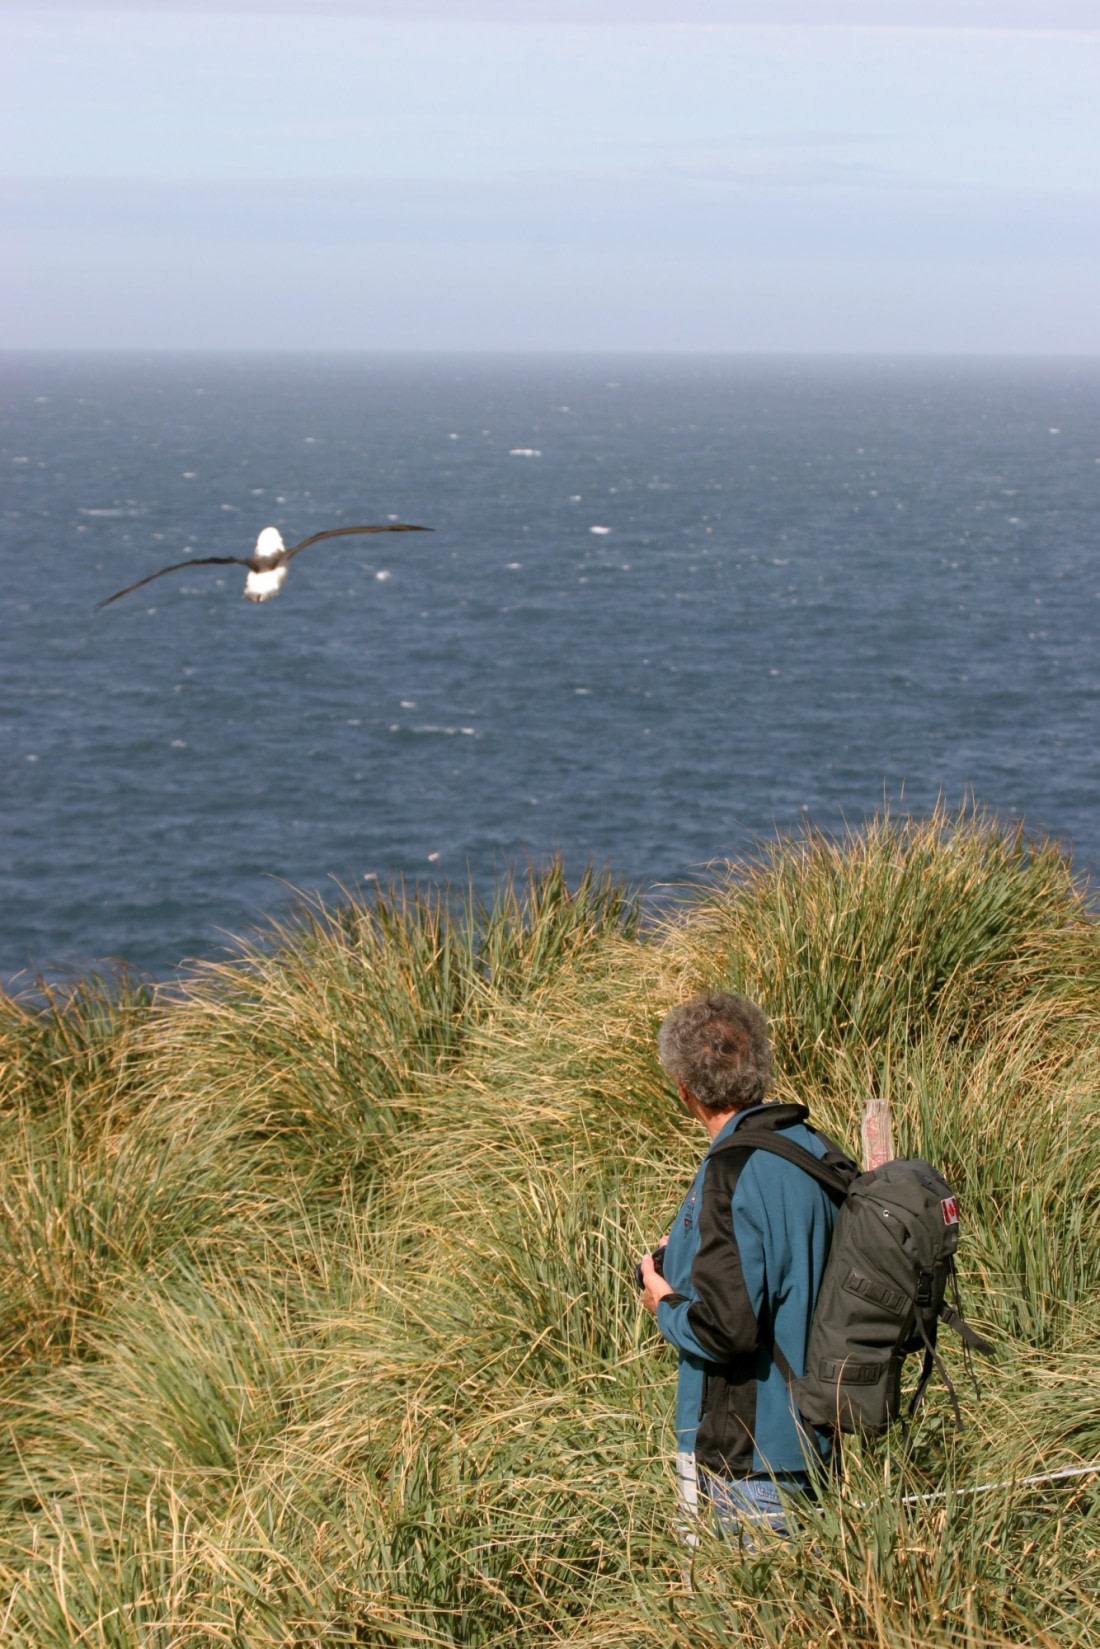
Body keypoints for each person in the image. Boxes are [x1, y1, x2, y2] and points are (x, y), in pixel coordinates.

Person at [639, 991, 840, 1543]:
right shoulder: (811, 1147)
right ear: (758, 1073)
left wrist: (663, 1303)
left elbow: (725, 1327)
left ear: (685, 1091)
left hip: (754, 1459)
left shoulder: (731, 1171)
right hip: (829, 1432)